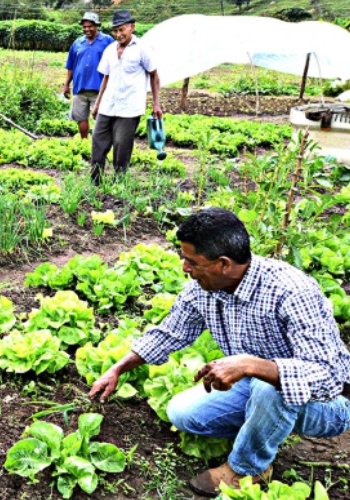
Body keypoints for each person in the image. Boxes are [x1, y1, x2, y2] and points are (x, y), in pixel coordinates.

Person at [88, 207, 350, 498]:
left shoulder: (291, 290)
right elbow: (170, 332)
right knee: (183, 413)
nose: (184, 267)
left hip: (328, 405)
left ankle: (247, 468)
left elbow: (328, 377)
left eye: (191, 261)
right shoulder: (204, 288)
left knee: (269, 389)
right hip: (257, 389)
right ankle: (261, 428)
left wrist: (252, 364)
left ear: (223, 264)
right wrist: (118, 368)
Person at [90, 10, 162, 185]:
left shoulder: (142, 49)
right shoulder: (109, 50)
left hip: (129, 108)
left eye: (121, 30)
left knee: (122, 147)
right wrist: (97, 104)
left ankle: (119, 184)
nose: (118, 34)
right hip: (108, 105)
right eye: (115, 30)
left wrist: (156, 104)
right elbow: (106, 78)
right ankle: (95, 183)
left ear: (132, 27)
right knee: (98, 143)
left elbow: (154, 75)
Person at [62, 12, 113, 140]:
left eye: (90, 26)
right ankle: (84, 141)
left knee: (101, 118)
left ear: (96, 26)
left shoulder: (107, 41)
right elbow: (71, 66)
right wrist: (66, 85)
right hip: (80, 87)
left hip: (100, 88)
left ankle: (100, 144)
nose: (87, 29)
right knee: (80, 117)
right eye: (84, 27)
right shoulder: (78, 43)